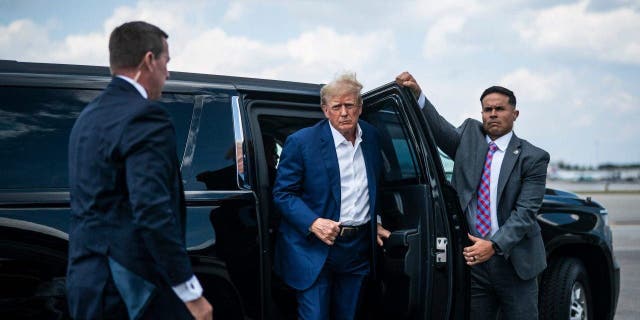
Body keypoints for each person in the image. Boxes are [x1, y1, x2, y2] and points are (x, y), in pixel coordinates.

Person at [67, 21, 212, 320]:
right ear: (149, 60)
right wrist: (191, 293)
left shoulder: (88, 116)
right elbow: (152, 209)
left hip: (86, 282)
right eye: (166, 61)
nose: (168, 72)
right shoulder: (145, 116)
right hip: (132, 288)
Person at [396, 72, 549, 320]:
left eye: (499, 109)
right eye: (487, 109)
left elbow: (526, 213)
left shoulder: (533, 157)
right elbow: (439, 129)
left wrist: (494, 245)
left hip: (514, 262)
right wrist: (418, 96)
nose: (493, 114)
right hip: (473, 261)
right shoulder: (469, 136)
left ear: (515, 114)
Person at [273, 73, 391, 320]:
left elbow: (373, 185)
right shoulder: (302, 142)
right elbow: (283, 193)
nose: (344, 112)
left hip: (358, 248)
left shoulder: (371, 137)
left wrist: (375, 220)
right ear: (325, 110)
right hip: (314, 249)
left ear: (360, 107)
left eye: (349, 105)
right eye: (337, 107)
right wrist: (313, 222)